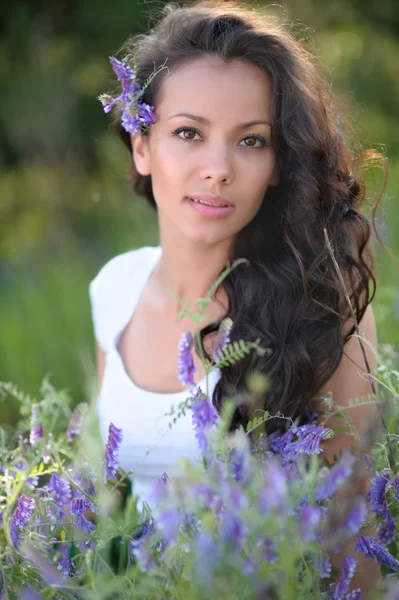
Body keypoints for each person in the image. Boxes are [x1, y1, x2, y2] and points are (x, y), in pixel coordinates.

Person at [89, 0, 387, 593]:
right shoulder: (113, 289)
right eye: (188, 133)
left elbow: (353, 544)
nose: (218, 168)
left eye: (251, 141)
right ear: (141, 146)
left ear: (278, 164)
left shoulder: (324, 303)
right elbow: (106, 513)